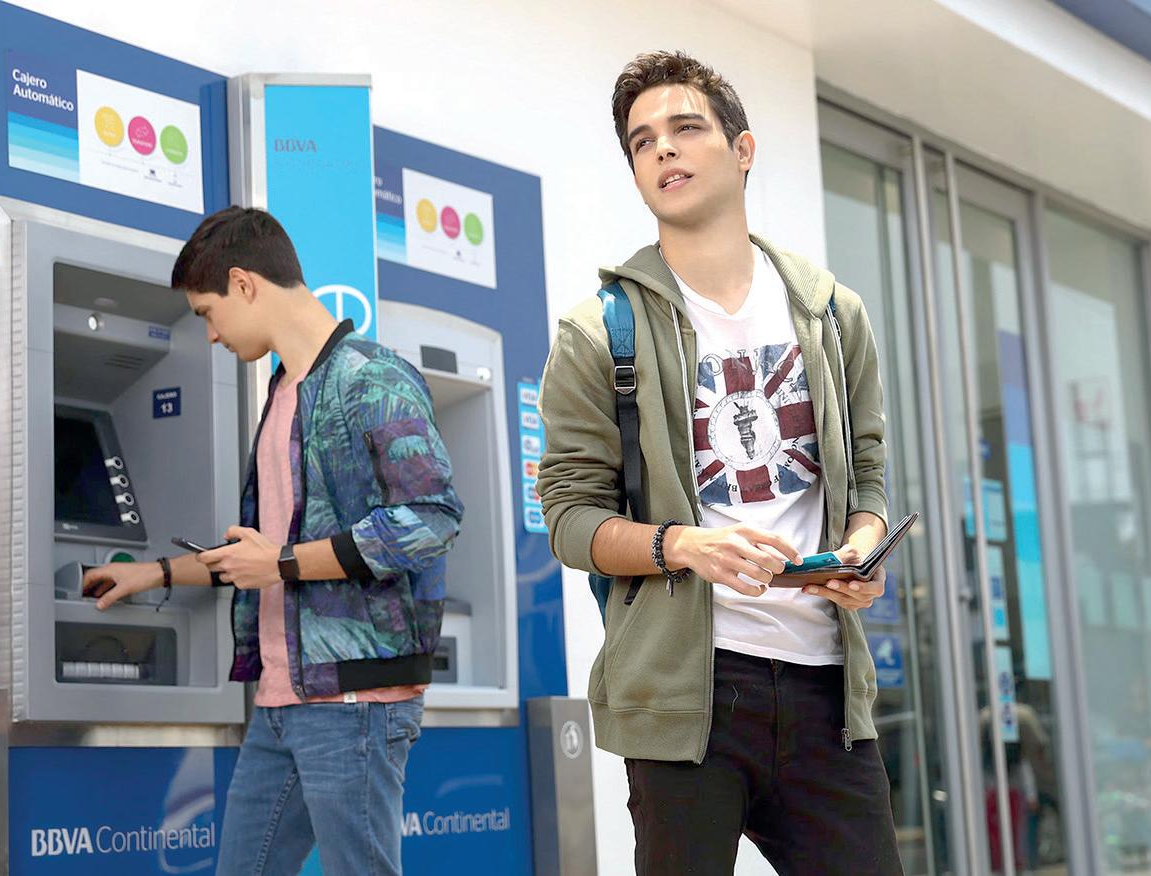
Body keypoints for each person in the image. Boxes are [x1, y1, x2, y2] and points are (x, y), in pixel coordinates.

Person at [536, 51, 901, 874]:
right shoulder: (598, 333)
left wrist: (859, 550)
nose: (662, 148)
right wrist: (683, 545)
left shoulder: (831, 315)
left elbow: (866, 472)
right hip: (683, 698)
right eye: (641, 142)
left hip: (825, 691)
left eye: (684, 128)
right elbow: (569, 518)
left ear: (742, 150)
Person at [81, 206, 463, 875]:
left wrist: (282, 564)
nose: (209, 334)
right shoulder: (284, 389)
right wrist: (158, 573)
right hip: (283, 702)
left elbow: (430, 519)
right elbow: (265, 556)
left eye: (208, 312)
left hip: (354, 703)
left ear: (244, 284)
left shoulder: (371, 376)